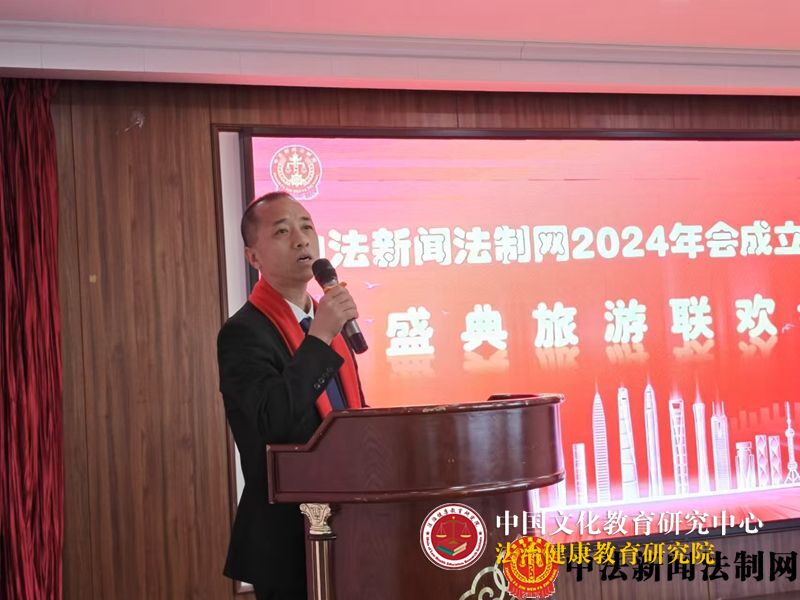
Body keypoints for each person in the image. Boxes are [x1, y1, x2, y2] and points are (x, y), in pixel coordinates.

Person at [217, 191, 366, 600]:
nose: (301, 239)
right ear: (253, 258)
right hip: (287, 537)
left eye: (306, 227)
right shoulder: (243, 333)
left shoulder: (328, 325)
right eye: (282, 231)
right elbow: (272, 422)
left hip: (350, 523)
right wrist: (319, 338)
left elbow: (347, 417)